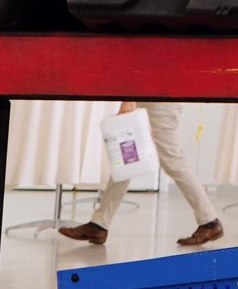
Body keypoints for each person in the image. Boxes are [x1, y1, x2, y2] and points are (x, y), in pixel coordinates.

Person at [58, 100, 224, 250]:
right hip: (151, 96)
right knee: (127, 160)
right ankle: (99, 225)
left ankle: (209, 221)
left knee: (173, 162)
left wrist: (130, 98)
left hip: (160, 99)